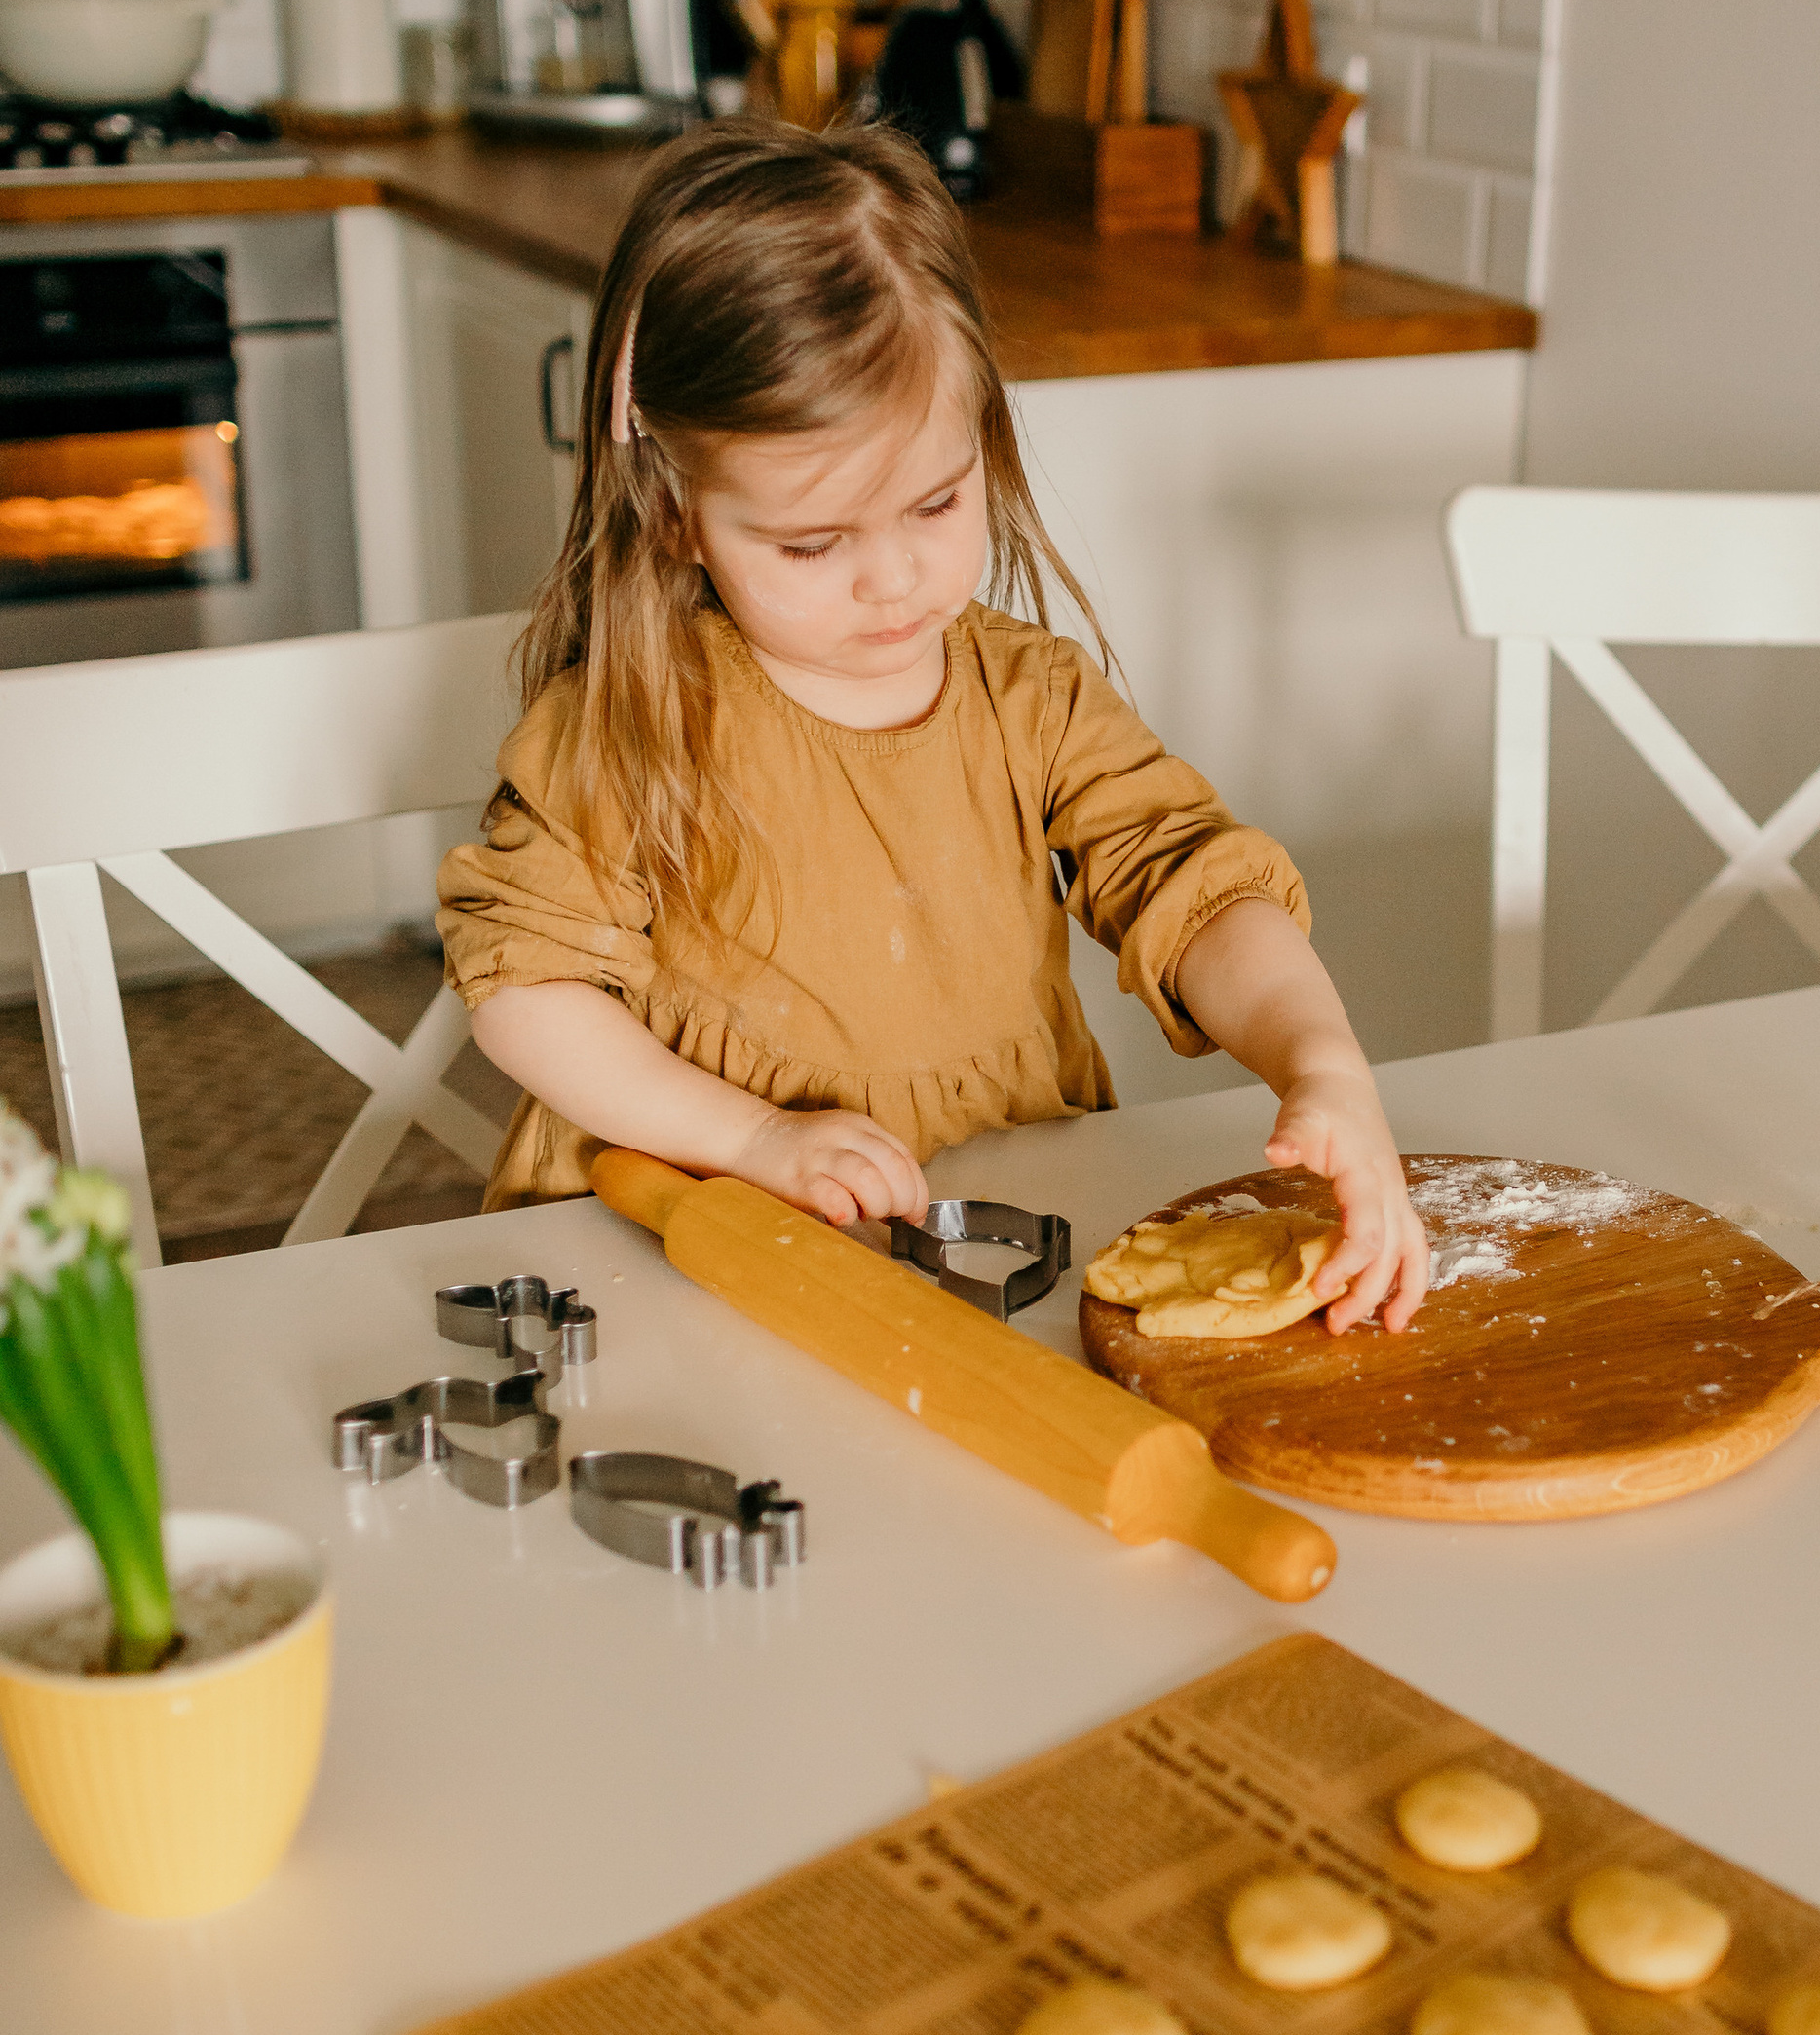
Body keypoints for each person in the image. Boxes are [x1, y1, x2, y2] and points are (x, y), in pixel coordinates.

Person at [437, 120, 1429, 1331]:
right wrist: (751, 1136)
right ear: (675, 511)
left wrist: (1320, 1062)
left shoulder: (1033, 702)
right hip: (682, 1249)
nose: (893, 580)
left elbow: (1200, 890)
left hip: (993, 1253)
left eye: (936, 502)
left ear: (985, 443)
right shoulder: (634, 725)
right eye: (811, 543)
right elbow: (526, 991)